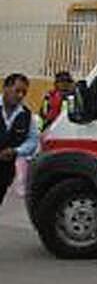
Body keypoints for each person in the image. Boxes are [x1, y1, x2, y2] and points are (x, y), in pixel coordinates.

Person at [1, 73, 40, 207]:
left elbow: (33, 140)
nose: (20, 95)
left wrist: (17, 151)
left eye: (24, 92)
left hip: (4, 171)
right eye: (17, 91)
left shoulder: (26, 115)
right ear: (5, 88)